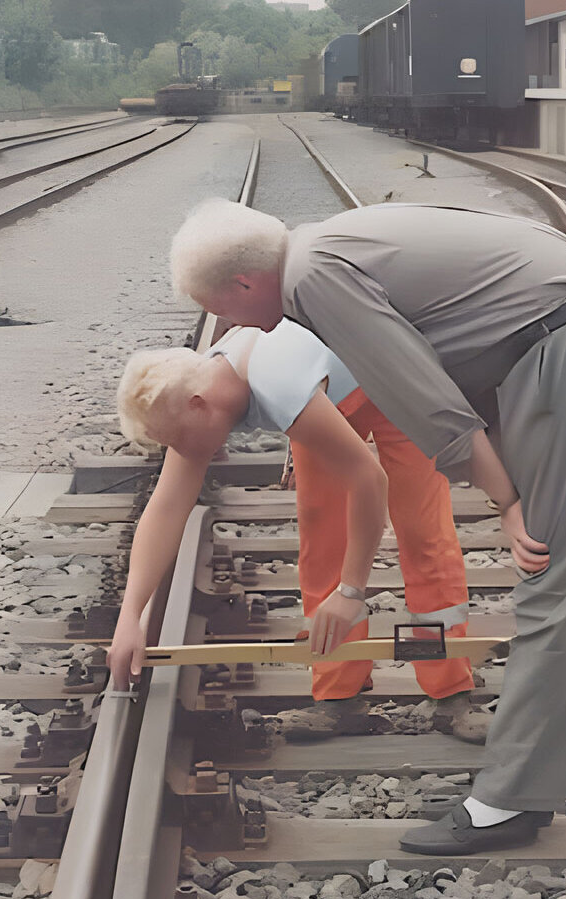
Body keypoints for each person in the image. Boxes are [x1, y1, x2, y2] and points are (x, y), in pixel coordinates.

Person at [169, 198, 565, 854]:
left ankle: (506, 802)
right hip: (543, 343)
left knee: (547, 584)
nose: (229, 326)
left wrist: (505, 499)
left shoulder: (313, 279)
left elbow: (424, 397)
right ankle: (519, 784)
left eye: (223, 310)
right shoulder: (327, 243)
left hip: (553, 348)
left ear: (244, 284)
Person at [108, 318, 478, 738]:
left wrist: (352, 592)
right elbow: (167, 507)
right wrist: (130, 617)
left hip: (397, 386)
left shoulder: (275, 384)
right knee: (323, 544)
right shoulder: (203, 386)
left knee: (422, 535)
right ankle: (341, 698)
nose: (179, 452)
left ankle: (449, 693)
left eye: (176, 440)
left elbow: (370, 479)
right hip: (324, 401)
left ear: (198, 404)